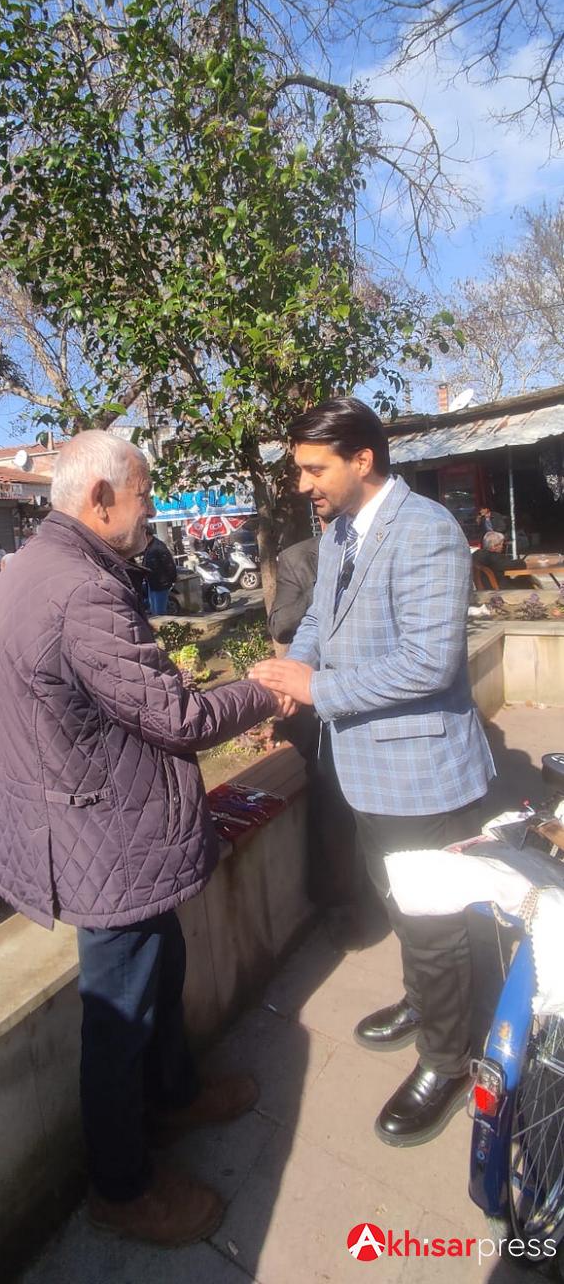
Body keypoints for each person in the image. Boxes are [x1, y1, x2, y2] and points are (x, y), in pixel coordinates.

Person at [0, 431, 291, 1247]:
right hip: (103, 834)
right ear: (100, 500)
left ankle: (175, 1095)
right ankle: (121, 1188)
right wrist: (262, 689)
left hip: (105, 824)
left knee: (162, 968)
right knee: (118, 1018)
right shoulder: (79, 588)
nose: (152, 509)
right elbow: (175, 717)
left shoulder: (34, 565)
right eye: (145, 494)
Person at [250, 397, 495, 1148]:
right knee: (400, 904)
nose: (303, 485)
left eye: (313, 469)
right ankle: (425, 1003)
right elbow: (319, 620)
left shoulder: (426, 530)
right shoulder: (339, 530)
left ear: (363, 460)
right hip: (364, 771)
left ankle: (449, 1061)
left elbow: (429, 662)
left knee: (435, 924)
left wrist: (317, 689)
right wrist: (293, 670)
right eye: (298, 470)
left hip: (423, 775)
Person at [268, 532, 380, 948]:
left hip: (378, 696)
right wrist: (327, 592)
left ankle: (383, 892)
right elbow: (281, 624)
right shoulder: (298, 556)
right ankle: (340, 904)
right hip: (324, 706)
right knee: (333, 806)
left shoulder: (387, 541)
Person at [142, 524, 177, 615]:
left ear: (147, 535)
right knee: (153, 610)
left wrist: (172, 580)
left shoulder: (158, 547)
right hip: (151, 583)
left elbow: (169, 565)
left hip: (160, 584)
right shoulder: (148, 547)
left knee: (159, 612)